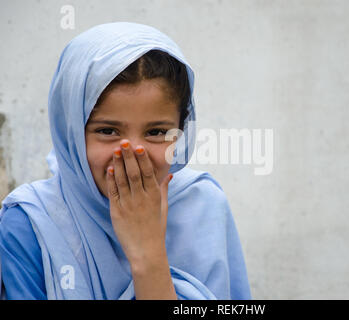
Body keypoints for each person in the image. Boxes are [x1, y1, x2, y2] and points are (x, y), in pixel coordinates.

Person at [0, 22, 251, 300]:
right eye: (107, 131)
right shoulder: (31, 223)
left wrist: (148, 258)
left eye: (156, 132)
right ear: (70, 133)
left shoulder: (203, 206)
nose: (133, 155)